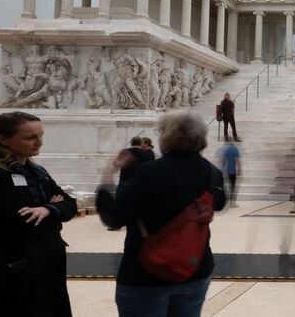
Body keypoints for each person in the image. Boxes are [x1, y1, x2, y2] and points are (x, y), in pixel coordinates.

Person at [96, 111, 226, 316]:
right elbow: (218, 205)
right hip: (195, 268)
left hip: (147, 272)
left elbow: (115, 217)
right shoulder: (212, 173)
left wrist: (107, 175)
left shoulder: (149, 172)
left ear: (168, 135)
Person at [0, 111, 77, 316]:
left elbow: (70, 204)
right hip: (14, 265)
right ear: (3, 139)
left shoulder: (37, 172)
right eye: (31, 137)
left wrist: (48, 209)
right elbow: (21, 222)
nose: (39, 142)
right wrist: (54, 214)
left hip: (46, 260)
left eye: (40, 135)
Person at [219, 138, 241, 206]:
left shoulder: (226, 149)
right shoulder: (235, 149)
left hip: (226, 171)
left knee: (226, 186)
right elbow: (237, 160)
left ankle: (226, 201)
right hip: (233, 171)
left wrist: (222, 169)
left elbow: (223, 160)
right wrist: (239, 170)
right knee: (233, 187)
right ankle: (232, 203)